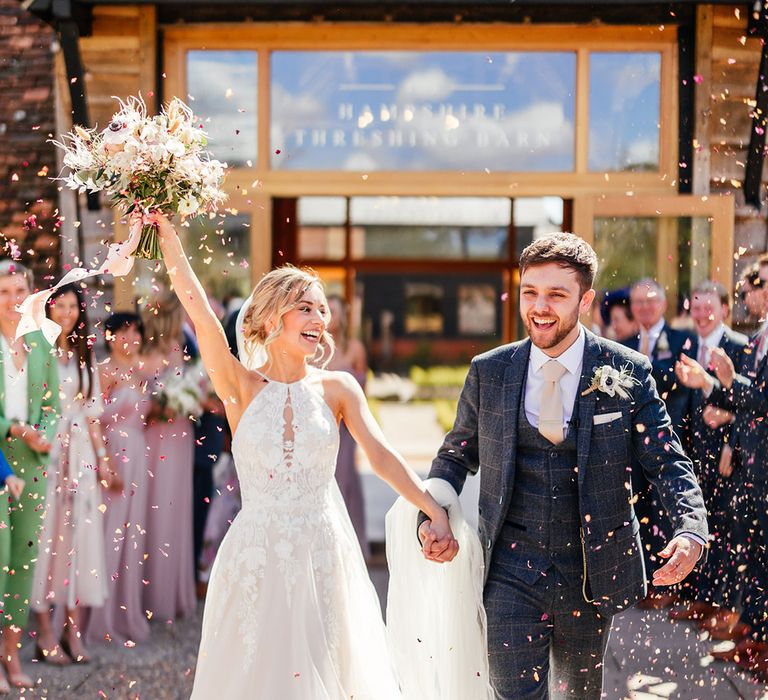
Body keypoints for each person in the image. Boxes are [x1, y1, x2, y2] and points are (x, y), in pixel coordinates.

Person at [148, 211, 456, 698]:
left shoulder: (338, 388)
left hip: (323, 550)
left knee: (326, 669)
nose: (319, 319)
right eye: (306, 309)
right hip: (257, 554)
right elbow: (198, 311)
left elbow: (380, 454)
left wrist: (431, 507)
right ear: (272, 318)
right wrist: (170, 241)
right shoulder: (240, 386)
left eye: (320, 310)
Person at [417, 233, 708, 699]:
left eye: (556, 294)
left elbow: (667, 460)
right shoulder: (489, 371)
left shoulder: (626, 370)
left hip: (592, 575)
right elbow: (454, 456)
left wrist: (691, 528)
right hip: (510, 572)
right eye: (530, 291)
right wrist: (429, 517)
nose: (540, 306)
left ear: (586, 299)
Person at [676, 283, 768, 681]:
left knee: (749, 546)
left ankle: (750, 634)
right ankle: (746, 629)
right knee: (746, 545)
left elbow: (757, 401)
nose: (755, 293)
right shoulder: (759, 337)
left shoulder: (741, 342)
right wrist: (712, 385)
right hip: (733, 459)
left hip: (745, 459)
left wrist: (724, 387)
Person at [31, 284, 111, 665]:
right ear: (47, 308)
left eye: (73, 306)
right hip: (46, 453)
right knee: (47, 539)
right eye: (59, 305)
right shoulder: (35, 350)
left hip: (80, 455)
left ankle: (73, 631)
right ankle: (43, 630)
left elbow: (92, 413)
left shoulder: (84, 353)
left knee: (82, 540)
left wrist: (104, 459)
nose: (66, 312)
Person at [667, 281, 747, 625]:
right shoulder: (688, 346)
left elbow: (750, 403)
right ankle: (703, 599)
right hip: (693, 452)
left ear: (726, 309)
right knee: (703, 521)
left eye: (708, 307)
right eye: (695, 307)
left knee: (729, 529)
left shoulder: (740, 347)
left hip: (730, 456)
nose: (701, 314)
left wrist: (732, 436)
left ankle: (725, 608)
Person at [0, 260, 60, 690]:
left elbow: (54, 402)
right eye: (3, 291)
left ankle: (11, 656)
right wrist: (12, 428)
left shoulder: (40, 342)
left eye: (18, 290)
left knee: (22, 561)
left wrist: (44, 434)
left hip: (33, 462)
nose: (11, 299)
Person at [623, 278, 698, 607]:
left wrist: (645, 370)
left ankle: (671, 589)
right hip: (632, 445)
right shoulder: (622, 343)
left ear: (663, 304)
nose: (644, 307)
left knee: (670, 510)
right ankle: (644, 582)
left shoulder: (685, 340)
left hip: (671, 440)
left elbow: (679, 381)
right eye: (638, 302)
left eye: (650, 301)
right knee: (638, 509)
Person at [86, 312, 151, 646]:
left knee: (131, 534)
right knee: (109, 532)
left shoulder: (143, 371)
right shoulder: (104, 371)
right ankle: (99, 615)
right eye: (122, 333)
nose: (129, 339)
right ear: (109, 337)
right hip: (114, 454)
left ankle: (125, 610)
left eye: (135, 332)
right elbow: (93, 419)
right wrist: (105, 462)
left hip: (140, 456)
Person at [140, 291, 197, 621]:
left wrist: (187, 401)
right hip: (154, 436)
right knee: (154, 507)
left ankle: (167, 592)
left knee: (171, 507)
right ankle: (150, 593)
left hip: (176, 436)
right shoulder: (146, 349)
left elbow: (195, 390)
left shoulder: (180, 347)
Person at [325, 294, 370, 558]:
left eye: (335, 310)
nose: (331, 316)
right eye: (326, 310)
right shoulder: (314, 350)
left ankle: (349, 546)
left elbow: (363, 391)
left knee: (346, 480)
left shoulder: (355, 349)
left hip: (346, 429)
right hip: (322, 428)